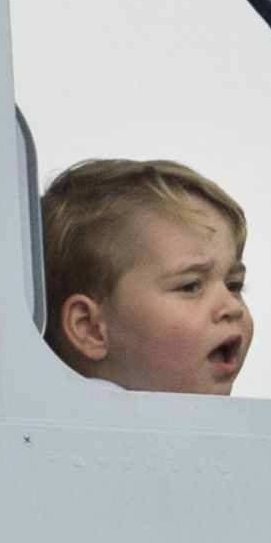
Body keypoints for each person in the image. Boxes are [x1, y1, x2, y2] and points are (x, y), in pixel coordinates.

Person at [40, 159, 254, 394]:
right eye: (190, 286)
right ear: (90, 328)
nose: (232, 307)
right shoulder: (86, 425)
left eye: (233, 285)